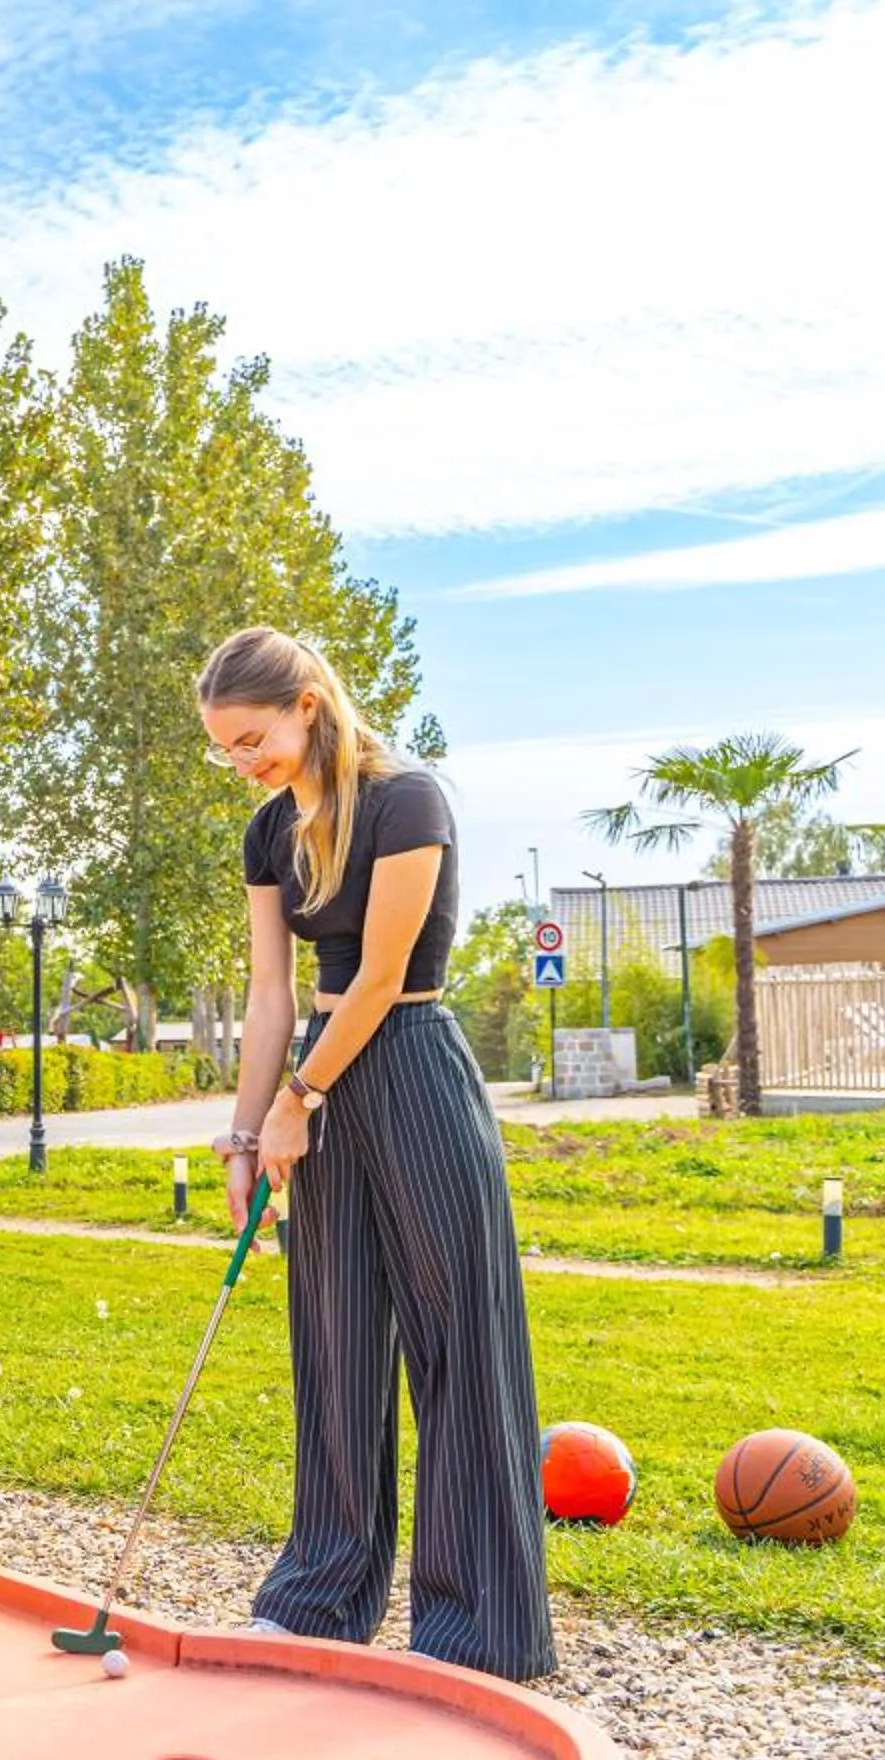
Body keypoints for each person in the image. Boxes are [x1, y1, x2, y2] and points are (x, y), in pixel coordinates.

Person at [200, 624, 556, 1683]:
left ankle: (476, 1630)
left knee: (458, 1342)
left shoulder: (408, 800)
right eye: (224, 749)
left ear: (308, 703)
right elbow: (273, 995)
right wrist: (243, 1124)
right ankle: (318, 1597)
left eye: (251, 737)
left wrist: (303, 1097)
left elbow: (386, 968)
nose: (242, 762)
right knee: (337, 1339)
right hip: (319, 1073)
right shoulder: (270, 830)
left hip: (409, 1060)